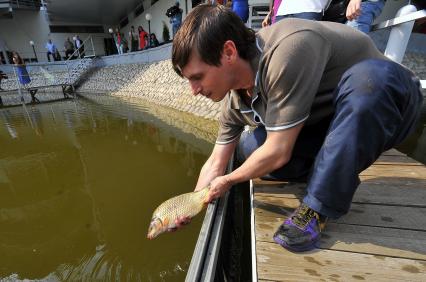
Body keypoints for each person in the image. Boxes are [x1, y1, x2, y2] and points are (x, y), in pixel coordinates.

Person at [171, 4, 423, 252]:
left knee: (369, 83)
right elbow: (217, 159)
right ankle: (329, 170)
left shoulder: (288, 48)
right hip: (328, 121)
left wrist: (228, 180)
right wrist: (193, 202)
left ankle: (317, 206)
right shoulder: (234, 100)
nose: (194, 91)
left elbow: (278, 150)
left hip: (388, 102)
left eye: (197, 77)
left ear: (228, 52)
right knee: (250, 147)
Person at [263, 0, 329, 27]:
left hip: (309, 9)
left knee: (305, 45)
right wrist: (271, 11)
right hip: (283, 11)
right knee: (276, 46)